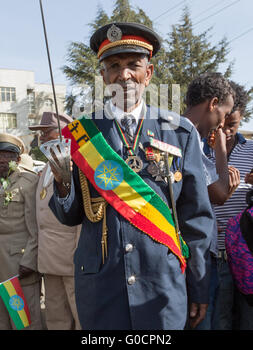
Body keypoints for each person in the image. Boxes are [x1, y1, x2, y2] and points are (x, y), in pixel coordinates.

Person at [49, 22, 214, 330]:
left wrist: (199, 285)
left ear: (148, 73)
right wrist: (62, 184)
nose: (123, 75)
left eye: (133, 66)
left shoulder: (179, 132)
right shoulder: (84, 135)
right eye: (113, 66)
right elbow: (69, 216)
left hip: (162, 285)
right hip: (102, 287)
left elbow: (197, 218)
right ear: (103, 76)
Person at [184, 73, 240, 329]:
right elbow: (219, 191)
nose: (221, 123)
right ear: (213, 103)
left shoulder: (175, 129)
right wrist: (221, 147)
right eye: (224, 114)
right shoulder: (188, 135)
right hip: (188, 260)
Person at [205, 80, 253, 330]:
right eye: (222, 124)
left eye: (232, 124)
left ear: (242, 117)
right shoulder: (202, 151)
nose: (225, 131)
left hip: (248, 250)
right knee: (220, 318)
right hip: (216, 252)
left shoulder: (252, 151)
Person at [29, 112, 81, 330]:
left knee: (80, 317)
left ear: (63, 133)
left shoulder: (76, 167)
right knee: (56, 318)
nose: (41, 137)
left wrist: (80, 256)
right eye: (40, 133)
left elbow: (80, 218)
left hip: (72, 260)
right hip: (49, 260)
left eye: (46, 131)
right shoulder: (44, 170)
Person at [0, 133, 43, 330]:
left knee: (24, 319)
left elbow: (35, 227)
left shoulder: (28, 182)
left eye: (8, 155)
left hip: (18, 265)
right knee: (3, 319)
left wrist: (30, 261)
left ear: (17, 160)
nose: (2, 159)